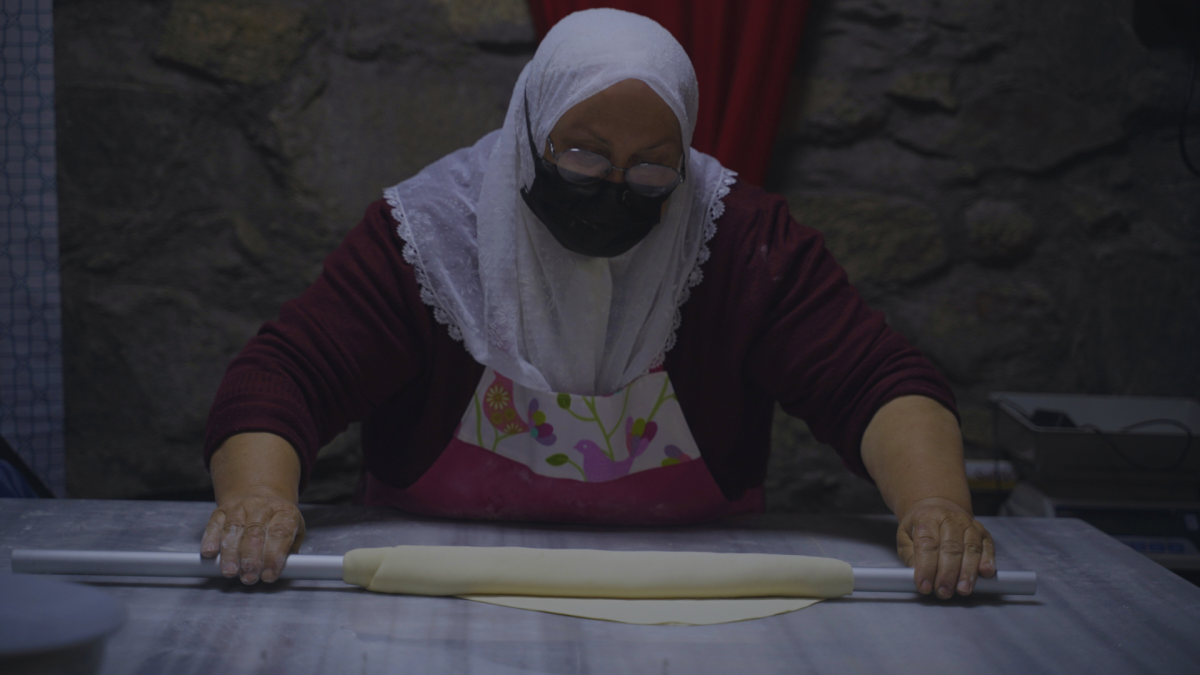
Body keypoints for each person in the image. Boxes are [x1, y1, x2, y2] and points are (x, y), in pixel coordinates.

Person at [200, 9, 995, 600]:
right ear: (530, 129)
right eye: (581, 154)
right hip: (434, 589)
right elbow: (286, 376)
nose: (615, 184)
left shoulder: (738, 241)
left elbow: (875, 383)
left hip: (690, 597)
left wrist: (934, 504)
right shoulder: (430, 237)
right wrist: (259, 498)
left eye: (651, 167)